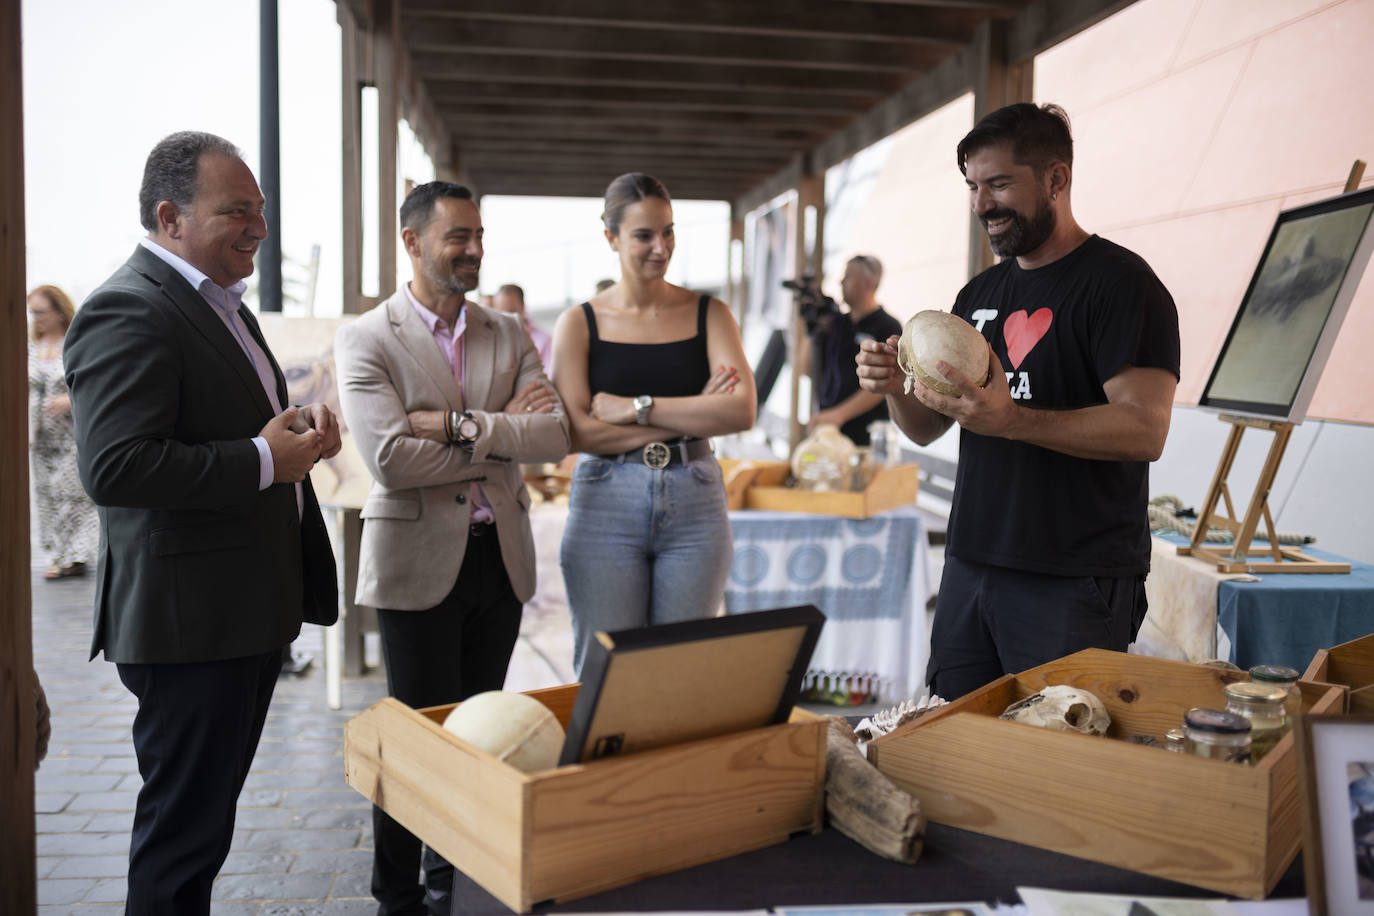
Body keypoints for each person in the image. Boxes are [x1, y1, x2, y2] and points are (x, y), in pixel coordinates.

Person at [62, 131, 340, 915]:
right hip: (191, 628)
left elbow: (232, 429)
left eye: (261, 210)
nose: (258, 227)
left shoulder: (220, 304)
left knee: (201, 835)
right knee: (182, 843)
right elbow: (114, 468)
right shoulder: (128, 306)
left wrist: (296, 436)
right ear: (169, 216)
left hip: (237, 614)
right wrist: (262, 458)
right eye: (237, 211)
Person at [856, 103, 1180, 699]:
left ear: (1056, 179)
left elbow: (1145, 429)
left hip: (1072, 577)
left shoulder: (1122, 284)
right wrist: (897, 387)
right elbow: (927, 429)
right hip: (971, 564)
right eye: (974, 187)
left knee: (1057, 762)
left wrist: (1013, 420)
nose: (982, 205)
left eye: (1000, 183)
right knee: (956, 746)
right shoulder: (978, 293)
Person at [335, 180, 570, 916]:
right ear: (412, 241)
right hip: (414, 564)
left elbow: (556, 435)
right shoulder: (368, 336)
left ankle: (458, 882)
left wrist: (457, 426)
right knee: (415, 740)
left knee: (482, 737)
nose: (472, 249)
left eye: (478, 236)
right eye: (456, 237)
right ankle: (398, 897)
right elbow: (390, 463)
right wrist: (501, 434)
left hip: (498, 560)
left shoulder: (505, 330)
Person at [551, 172, 756, 675]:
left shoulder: (710, 312)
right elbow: (577, 432)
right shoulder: (579, 322)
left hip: (697, 501)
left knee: (680, 670)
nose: (660, 247)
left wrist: (636, 407)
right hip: (604, 500)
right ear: (611, 238)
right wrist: (689, 413)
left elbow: (740, 410)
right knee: (605, 667)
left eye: (668, 231)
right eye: (644, 235)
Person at [27, 284, 97, 579]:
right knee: (47, 495)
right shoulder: (29, 347)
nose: (37, 318)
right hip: (39, 438)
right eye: (33, 312)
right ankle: (59, 555)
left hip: (72, 436)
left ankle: (76, 556)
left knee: (72, 494)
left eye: (41, 312)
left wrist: (70, 400)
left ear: (58, 311)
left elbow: (95, 383)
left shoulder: (77, 343)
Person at [798, 255, 902, 446]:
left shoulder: (887, 327)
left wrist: (838, 415)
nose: (841, 282)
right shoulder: (835, 324)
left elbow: (885, 383)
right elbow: (805, 370)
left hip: (866, 436)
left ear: (868, 284)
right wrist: (810, 327)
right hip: (828, 431)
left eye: (848, 277)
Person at [492, 282, 554, 372]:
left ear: (523, 307)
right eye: (500, 312)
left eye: (511, 311)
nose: (505, 318)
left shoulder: (544, 340)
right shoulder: (491, 340)